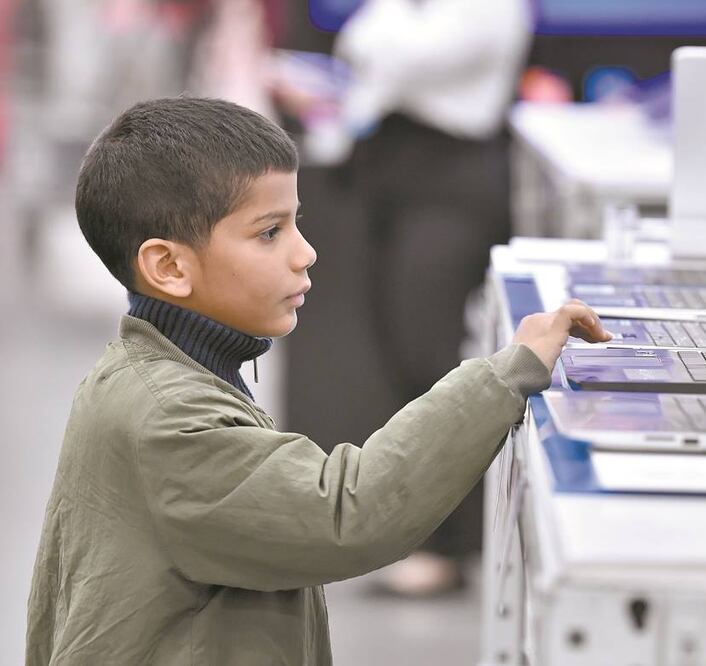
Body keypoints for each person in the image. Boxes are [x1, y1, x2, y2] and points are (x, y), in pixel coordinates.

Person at [25, 97, 610, 664]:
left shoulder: (161, 375)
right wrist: (507, 372)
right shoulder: (168, 420)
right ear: (170, 267)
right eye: (268, 232)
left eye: (295, 223)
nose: (304, 253)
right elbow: (347, 511)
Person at [329, 0, 533, 595]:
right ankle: (420, 535)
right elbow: (359, 43)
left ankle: (449, 545)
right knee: (399, 350)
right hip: (398, 177)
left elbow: (394, 50)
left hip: (454, 186)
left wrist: (384, 31)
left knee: (432, 359)